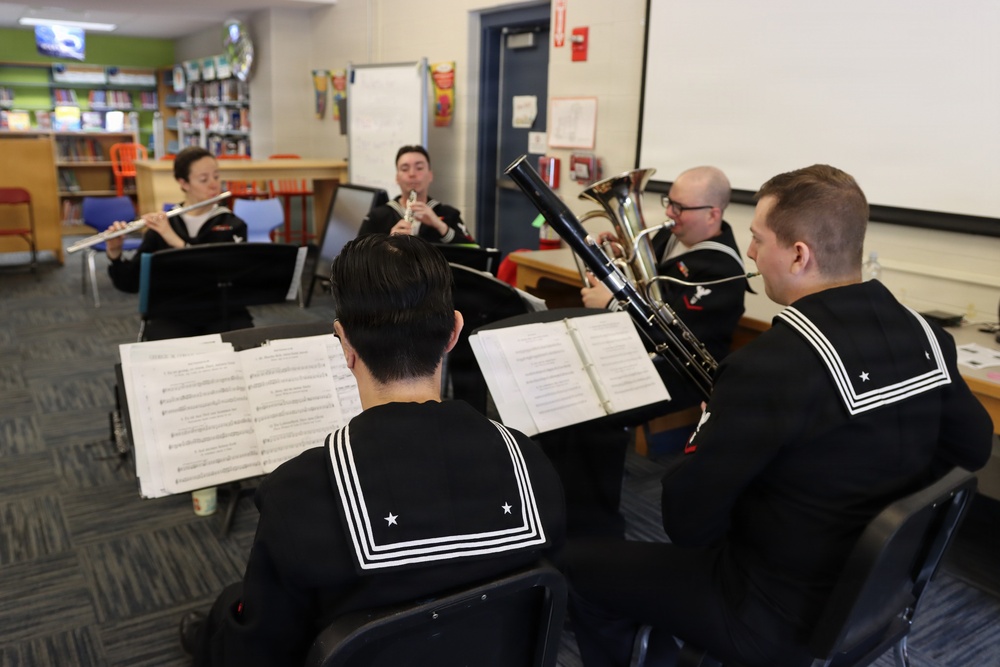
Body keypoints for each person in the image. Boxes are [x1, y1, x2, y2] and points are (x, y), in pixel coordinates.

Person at [563, 164, 994, 667]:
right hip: (881, 595)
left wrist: (710, 427)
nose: (748, 252)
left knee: (576, 566)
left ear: (798, 254)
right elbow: (972, 448)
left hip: (771, 614)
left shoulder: (769, 366)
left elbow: (686, 522)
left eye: (756, 238)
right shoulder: (924, 334)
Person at [181, 233, 566, 667]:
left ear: (344, 344)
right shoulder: (530, 461)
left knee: (229, 608)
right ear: (455, 331)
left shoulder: (295, 493)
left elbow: (261, 652)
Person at [542, 167, 748, 540]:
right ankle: (559, 499)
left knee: (597, 410)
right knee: (566, 386)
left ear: (713, 214)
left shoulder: (722, 268)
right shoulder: (669, 239)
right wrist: (618, 255)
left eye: (680, 207)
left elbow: (672, 333)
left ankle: (597, 524)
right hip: (644, 352)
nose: (669, 213)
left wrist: (612, 304)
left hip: (683, 370)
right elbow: (641, 283)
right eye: (669, 202)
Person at [105, 146, 252, 340]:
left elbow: (227, 275)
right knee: (164, 345)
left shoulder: (231, 225)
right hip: (174, 312)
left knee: (243, 340)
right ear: (183, 183)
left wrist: (174, 240)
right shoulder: (163, 226)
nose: (214, 185)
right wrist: (115, 254)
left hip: (222, 310)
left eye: (216, 177)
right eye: (203, 179)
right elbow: (131, 284)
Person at [358, 144, 476, 244]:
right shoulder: (376, 217)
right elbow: (356, 260)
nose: (412, 174)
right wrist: (388, 243)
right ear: (397, 178)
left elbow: (475, 251)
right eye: (405, 169)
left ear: (430, 175)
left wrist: (441, 226)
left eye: (419, 168)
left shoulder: (449, 214)